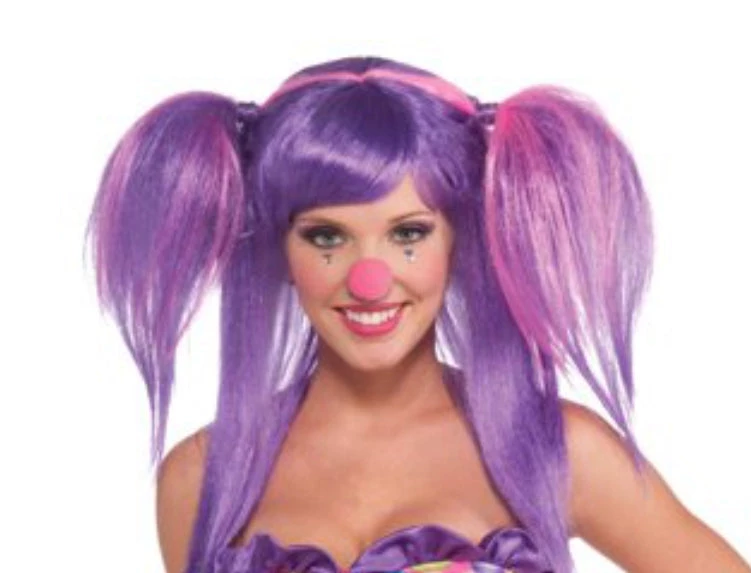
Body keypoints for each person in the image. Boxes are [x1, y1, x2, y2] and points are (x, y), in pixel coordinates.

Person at [85, 56, 750, 573]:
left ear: (457, 241)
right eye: (326, 236)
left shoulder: (555, 451)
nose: (369, 280)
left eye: (408, 233)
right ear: (279, 249)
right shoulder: (202, 478)